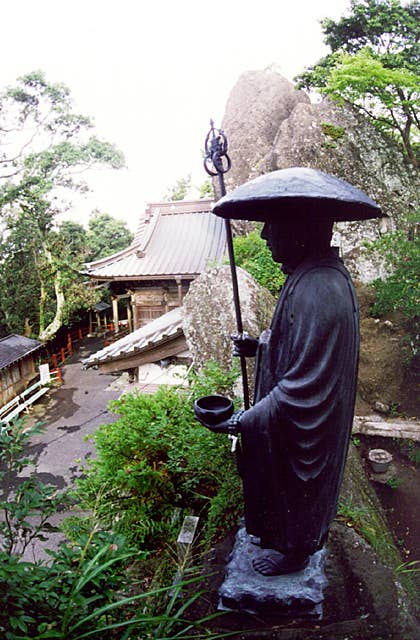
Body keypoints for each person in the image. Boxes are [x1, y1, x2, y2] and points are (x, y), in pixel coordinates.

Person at [198, 214, 359, 576]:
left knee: (297, 486)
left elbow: (305, 384)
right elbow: (300, 346)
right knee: (278, 482)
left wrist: (241, 420)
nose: (264, 234)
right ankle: (280, 538)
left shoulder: (319, 288)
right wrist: (262, 348)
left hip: (309, 425)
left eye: (274, 225)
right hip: (298, 414)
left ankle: (294, 551)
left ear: (299, 230)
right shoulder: (307, 276)